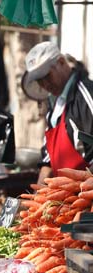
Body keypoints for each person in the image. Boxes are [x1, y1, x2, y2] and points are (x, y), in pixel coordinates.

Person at [22, 41, 93, 184]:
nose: (45, 85)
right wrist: (38, 198)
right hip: (67, 197)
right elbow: (47, 160)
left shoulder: (87, 95)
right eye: (40, 81)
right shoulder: (54, 107)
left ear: (61, 62)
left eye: (47, 76)